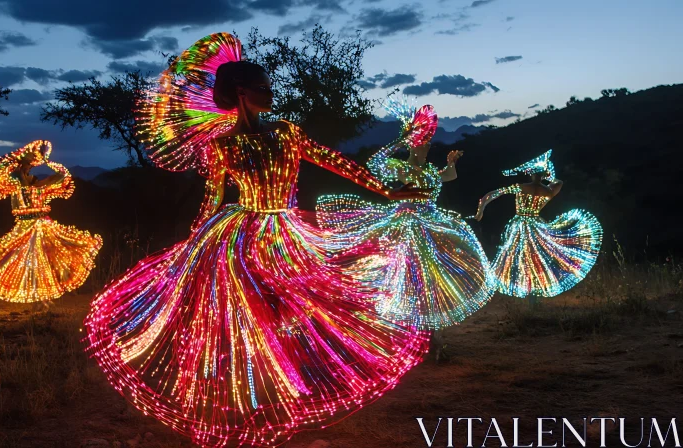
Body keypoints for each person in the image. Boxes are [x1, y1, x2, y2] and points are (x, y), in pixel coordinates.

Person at [84, 33, 431, 447]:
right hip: (240, 237)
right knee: (244, 316)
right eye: (265, 88)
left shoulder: (286, 132)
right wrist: (193, 243)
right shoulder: (221, 146)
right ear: (242, 92)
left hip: (285, 231)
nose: (272, 94)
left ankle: (294, 387)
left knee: (310, 303)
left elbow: (334, 161)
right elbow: (213, 200)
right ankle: (251, 396)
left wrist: (387, 191)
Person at [317, 100, 494, 357]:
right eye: (423, 141)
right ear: (413, 144)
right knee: (409, 276)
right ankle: (410, 334)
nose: (427, 145)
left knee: (431, 278)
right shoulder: (401, 168)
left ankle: (429, 335)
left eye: (428, 142)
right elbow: (375, 162)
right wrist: (400, 140)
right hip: (408, 225)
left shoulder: (431, 170)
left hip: (432, 224)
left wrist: (451, 162)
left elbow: (450, 177)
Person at [0, 140, 102, 309]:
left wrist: (49, 162)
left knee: (45, 259)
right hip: (25, 226)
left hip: (41, 224)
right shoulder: (15, 179)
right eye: (27, 164)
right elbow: (17, 181)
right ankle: (38, 298)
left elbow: (60, 177)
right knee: (27, 260)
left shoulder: (35, 183)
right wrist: (22, 166)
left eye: (31, 164)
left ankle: (42, 298)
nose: (29, 167)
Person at [474, 150, 603, 301]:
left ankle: (527, 292)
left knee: (517, 257)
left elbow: (491, 195)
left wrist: (480, 210)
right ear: (543, 175)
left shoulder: (520, 187)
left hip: (520, 225)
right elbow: (559, 182)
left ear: (530, 174)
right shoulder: (549, 190)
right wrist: (549, 174)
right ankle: (532, 293)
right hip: (536, 225)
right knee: (535, 258)